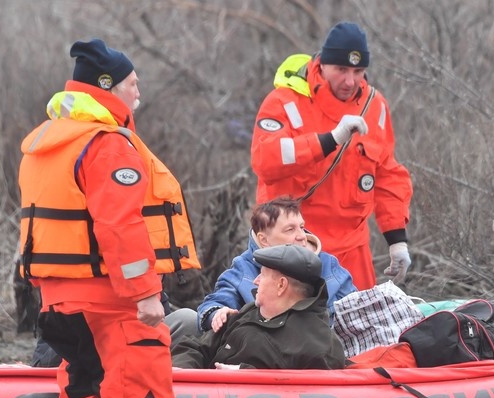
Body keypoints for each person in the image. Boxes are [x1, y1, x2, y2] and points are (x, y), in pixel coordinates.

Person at [17, 39, 180, 398]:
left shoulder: (45, 141)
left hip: (60, 306)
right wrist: (147, 294)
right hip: (113, 305)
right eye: (133, 84)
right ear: (107, 88)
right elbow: (121, 227)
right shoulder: (105, 142)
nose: (139, 92)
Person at [250, 21, 413, 290]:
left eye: (358, 71)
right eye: (341, 70)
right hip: (293, 247)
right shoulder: (284, 101)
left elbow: (387, 175)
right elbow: (265, 160)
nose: (350, 81)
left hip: (353, 251)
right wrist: (329, 141)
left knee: (361, 328)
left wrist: (397, 240)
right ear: (322, 64)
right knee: (294, 328)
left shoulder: (375, 106)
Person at [172, 244, 348, 370]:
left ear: (281, 285)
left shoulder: (317, 343)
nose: (255, 281)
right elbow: (196, 347)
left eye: (262, 275)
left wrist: (247, 375)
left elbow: (309, 395)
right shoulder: (248, 312)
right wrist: (182, 369)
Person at [195, 197, 356, 333]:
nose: (301, 236)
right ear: (264, 240)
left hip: (320, 358)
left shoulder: (328, 265)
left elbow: (357, 309)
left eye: (301, 227)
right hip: (262, 358)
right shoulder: (243, 268)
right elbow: (212, 305)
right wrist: (217, 314)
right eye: (290, 230)